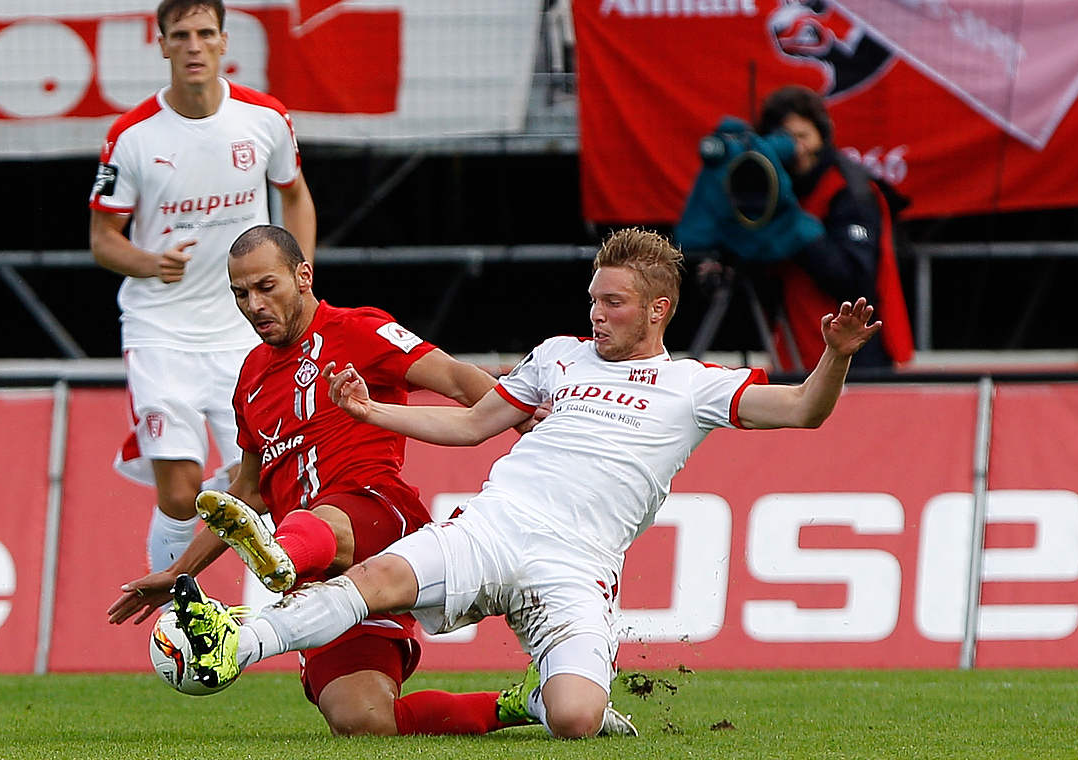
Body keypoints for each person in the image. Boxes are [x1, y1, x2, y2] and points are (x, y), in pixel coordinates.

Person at [166, 227, 883, 739]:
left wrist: (836, 358)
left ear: (659, 310)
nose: (597, 315)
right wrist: (370, 409)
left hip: (577, 565)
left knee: (575, 718)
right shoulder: (557, 359)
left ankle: (537, 699)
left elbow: (801, 410)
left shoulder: (693, 385)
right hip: (495, 526)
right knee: (378, 581)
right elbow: (472, 423)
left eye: (616, 304)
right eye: (595, 299)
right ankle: (239, 640)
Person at [107, 225, 592, 737]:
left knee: (319, 520)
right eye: (240, 294)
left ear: (303, 275)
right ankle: (527, 703)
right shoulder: (250, 377)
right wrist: (180, 570)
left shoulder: (359, 329)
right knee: (363, 721)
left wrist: (517, 415)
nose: (253, 304)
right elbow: (247, 495)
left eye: (266, 287)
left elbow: (453, 378)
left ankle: (275, 570)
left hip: (378, 516)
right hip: (321, 572)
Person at [88, 0, 316, 573]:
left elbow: (295, 194)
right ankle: (178, 611)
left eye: (205, 33)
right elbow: (102, 240)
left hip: (244, 331)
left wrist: (299, 275)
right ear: (161, 44)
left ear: (223, 42)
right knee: (180, 492)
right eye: (181, 35)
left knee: (264, 483)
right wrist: (148, 261)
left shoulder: (264, 118)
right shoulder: (131, 136)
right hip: (161, 331)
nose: (194, 45)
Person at [751, 84, 912, 371]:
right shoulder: (771, 190)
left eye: (802, 137)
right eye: (784, 139)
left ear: (821, 137)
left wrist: (799, 229)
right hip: (796, 352)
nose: (795, 149)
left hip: (857, 356)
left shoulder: (850, 190)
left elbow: (854, 279)